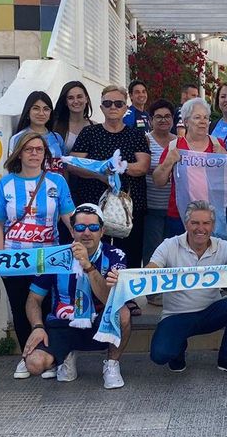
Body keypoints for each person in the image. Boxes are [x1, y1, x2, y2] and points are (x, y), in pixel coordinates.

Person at [118, 200, 227, 377]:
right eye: (195, 223)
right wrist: (126, 276)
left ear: (212, 226)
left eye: (206, 223)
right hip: (177, 315)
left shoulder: (223, 247)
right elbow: (152, 268)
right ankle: (178, 349)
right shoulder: (169, 245)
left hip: (211, 311)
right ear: (186, 223)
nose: (200, 228)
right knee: (160, 356)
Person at [0, 132, 76, 379]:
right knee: (19, 309)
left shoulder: (57, 182)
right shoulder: (5, 183)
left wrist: (81, 239)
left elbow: (68, 217)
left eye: (39, 149)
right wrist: (0, 258)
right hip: (15, 259)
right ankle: (26, 356)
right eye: (29, 149)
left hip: (49, 258)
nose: (34, 153)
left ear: (45, 154)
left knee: (49, 307)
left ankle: (48, 356)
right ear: (19, 153)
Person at [22, 204, 131, 387]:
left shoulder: (115, 255)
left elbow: (109, 299)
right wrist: (37, 327)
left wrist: (88, 266)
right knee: (34, 365)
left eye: (93, 228)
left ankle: (112, 364)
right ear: (72, 231)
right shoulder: (55, 257)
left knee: (123, 314)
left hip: (99, 323)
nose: (87, 233)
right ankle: (65, 356)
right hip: (63, 322)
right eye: (80, 228)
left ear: (102, 231)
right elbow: (34, 298)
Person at [69, 85, 151, 269]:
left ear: (125, 107)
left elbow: (143, 165)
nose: (113, 107)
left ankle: (127, 296)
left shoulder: (135, 135)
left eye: (118, 103)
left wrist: (118, 168)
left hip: (129, 206)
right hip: (93, 207)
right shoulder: (90, 133)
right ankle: (95, 292)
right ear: (101, 107)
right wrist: (101, 173)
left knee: (131, 253)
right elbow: (73, 165)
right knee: (93, 253)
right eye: (107, 103)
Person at [154, 98, 227, 248]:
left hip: (212, 217)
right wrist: (169, 161)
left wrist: (224, 156)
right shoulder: (175, 146)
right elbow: (158, 181)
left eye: (206, 117)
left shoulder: (218, 144)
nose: (203, 121)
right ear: (186, 121)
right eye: (197, 117)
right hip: (179, 217)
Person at [143, 99, 179, 293]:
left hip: (176, 207)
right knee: (153, 250)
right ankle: (152, 292)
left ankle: (172, 290)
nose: (163, 120)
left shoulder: (179, 142)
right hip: (152, 205)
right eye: (158, 117)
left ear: (173, 119)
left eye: (167, 116)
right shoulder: (145, 140)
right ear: (151, 120)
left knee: (174, 251)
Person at [7, 91, 66, 173]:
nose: (41, 113)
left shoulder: (57, 138)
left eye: (46, 109)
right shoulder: (17, 138)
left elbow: (64, 168)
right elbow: (12, 170)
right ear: (28, 112)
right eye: (36, 108)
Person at [53, 81, 96, 153]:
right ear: (66, 102)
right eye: (70, 98)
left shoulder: (95, 127)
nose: (76, 101)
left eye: (79, 97)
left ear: (86, 99)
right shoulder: (55, 126)